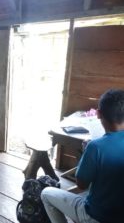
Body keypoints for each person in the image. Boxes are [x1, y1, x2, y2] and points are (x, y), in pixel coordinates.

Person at [41, 89, 124, 223]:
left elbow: (81, 184)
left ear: (98, 114)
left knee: (46, 193)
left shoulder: (95, 146)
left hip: (96, 216)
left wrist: (86, 153)